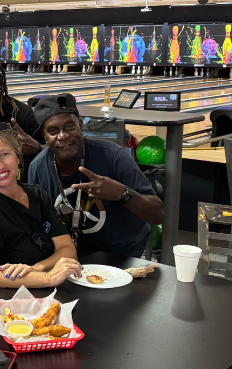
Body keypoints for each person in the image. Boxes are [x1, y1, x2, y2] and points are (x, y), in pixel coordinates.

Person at [29, 94, 164, 258]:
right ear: (44, 136)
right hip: (70, 256)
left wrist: (122, 193)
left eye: (70, 126)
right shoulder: (38, 168)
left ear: (80, 125)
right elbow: (38, 224)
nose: (63, 135)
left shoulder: (114, 157)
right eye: (53, 131)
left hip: (122, 254)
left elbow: (157, 214)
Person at [0, 125, 81, 289]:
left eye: (5, 154)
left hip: (55, 287)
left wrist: (37, 269)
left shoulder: (37, 194)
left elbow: (68, 249)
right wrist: (48, 277)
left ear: (18, 157)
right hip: (16, 300)